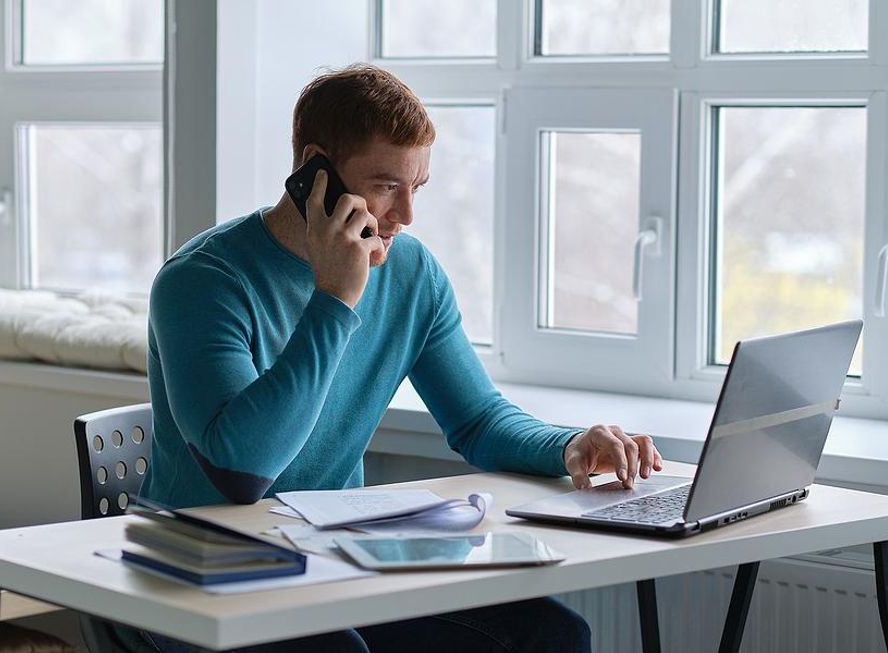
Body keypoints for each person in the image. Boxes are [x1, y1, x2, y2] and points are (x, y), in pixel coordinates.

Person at [139, 64, 663, 653]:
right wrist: (335, 297)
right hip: (195, 571)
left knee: (551, 634)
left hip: (333, 557)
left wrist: (569, 446)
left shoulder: (411, 273)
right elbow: (243, 472)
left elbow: (478, 421)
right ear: (315, 169)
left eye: (419, 187)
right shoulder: (203, 281)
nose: (406, 215)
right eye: (387, 185)